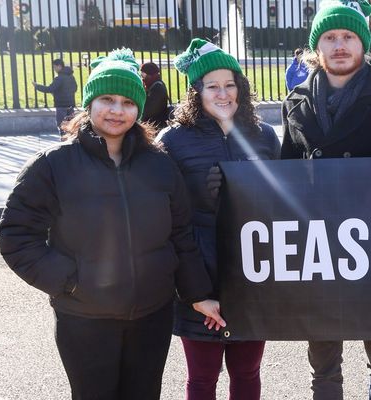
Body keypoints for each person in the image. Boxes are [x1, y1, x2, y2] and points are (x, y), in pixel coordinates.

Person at [0, 48, 225, 400]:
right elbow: (16, 235)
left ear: (138, 108)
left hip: (152, 314)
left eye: (127, 102)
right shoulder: (53, 165)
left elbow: (180, 235)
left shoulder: (160, 165)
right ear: (89, 103)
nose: (117, 110)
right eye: (107, 99)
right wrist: (69, 281)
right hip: (85, 317)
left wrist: (198, 295)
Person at [278, 1, 371, 398]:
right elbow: (284, 180)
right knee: (324, 370)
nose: (339, 45)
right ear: (316, 46)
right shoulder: (296, 102)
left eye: (348, 36)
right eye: (329, 37)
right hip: (318, 252)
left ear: (363, 44)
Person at [158, 39, 278, 400]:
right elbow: (169, 222)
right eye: (213, 86)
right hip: (198, 282)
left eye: (230, 84)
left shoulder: (265, 136)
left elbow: (282, 207)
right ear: (197, 92)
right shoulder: (173, 141)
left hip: (251, 281)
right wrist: (196, 293)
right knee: (202, 379)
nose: (223, 93)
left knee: (247, 373)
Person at [34, 58, 78, 132]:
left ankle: (64, 141)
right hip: (70, 105)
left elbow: (49, 89)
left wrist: (37, 86)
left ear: (59, 66)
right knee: (71, 127)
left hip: (61, 106)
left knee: (62, 127)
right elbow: (75, 89)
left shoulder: (59, 78)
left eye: (54, 67)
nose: (54, 69)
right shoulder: (71, 77)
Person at [139, 62, 170, 129]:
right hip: (153, 123)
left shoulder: (158, 87)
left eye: (143, 74)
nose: (142, 78)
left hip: (156, 125)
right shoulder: (154, 85)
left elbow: (148, 111)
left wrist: (143, 92)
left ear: (149, 74)